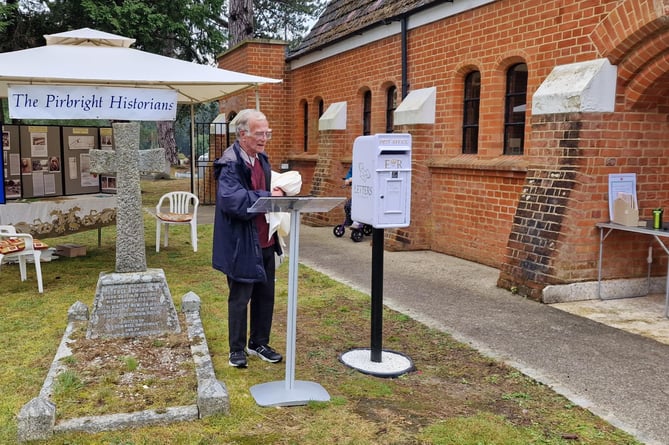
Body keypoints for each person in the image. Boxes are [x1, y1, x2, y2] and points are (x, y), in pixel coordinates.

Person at [212, 109, 286, 368]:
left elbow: (264, 192)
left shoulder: (261, 159)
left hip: (265, 240)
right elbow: (233, 202)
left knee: (266, 295)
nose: (265, 138)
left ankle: (259, 343)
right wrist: (268, 196)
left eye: (267, 133)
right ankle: (236, 350)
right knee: (241, 297)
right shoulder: (229, 163)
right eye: (259, 133)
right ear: (242, 134)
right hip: (240, 244)